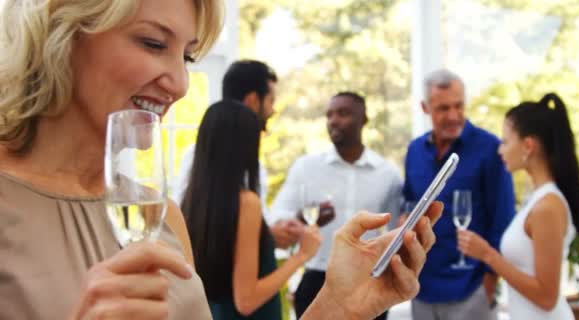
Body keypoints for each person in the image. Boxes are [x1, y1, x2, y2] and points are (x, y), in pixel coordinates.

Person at [0, 0, 442, 319]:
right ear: (62, 34)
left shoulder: (162, 217)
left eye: (188, 56)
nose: (179, 82)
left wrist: (339, 306)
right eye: (153, 42)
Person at [181, 100, 322, 319]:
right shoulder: (247, 202)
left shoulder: (193, 201)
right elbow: (246, 300)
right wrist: (302, 255)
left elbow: (227, 257)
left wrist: (268, 236)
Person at [270, 92, 403, 319]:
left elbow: (396, 231)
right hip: (316, 281)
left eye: (343, 113)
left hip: (368, 282)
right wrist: (303, 218)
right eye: (329, 114)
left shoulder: (388, 174)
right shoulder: (306, 168)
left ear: (364, 120)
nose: (333, 120)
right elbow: (276, 217)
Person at [403, 69, 515, 320]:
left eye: (459, 106)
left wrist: (489, 283)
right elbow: (408, 205)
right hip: (422, 289)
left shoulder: (490, 149)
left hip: (471, 290)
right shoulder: (414, 151)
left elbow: (503, 218)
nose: (454, 116)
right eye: (443, 108)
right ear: (425, 107)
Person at [458, 93, 579, 319]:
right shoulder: (536, 199)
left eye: (505, 141)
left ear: (528, 145)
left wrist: (488, 255)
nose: (500, 150)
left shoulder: (548, 206)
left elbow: (546, 296)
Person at [172, 60, 304, 249]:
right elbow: (193, 226)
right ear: (253, 100)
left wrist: (275, 230)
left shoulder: (254, 164)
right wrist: (270, 239)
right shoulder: (199, 156)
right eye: (271, 101)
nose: (273, 110)